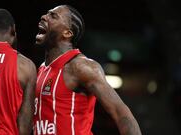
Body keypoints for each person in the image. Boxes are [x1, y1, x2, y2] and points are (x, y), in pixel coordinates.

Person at [33, 5, 142, 135]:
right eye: (47, 13)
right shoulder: (42, 68)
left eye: (53, 16)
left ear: (67, 33)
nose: (44, 17)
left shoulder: (80, 66)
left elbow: (121, 114)